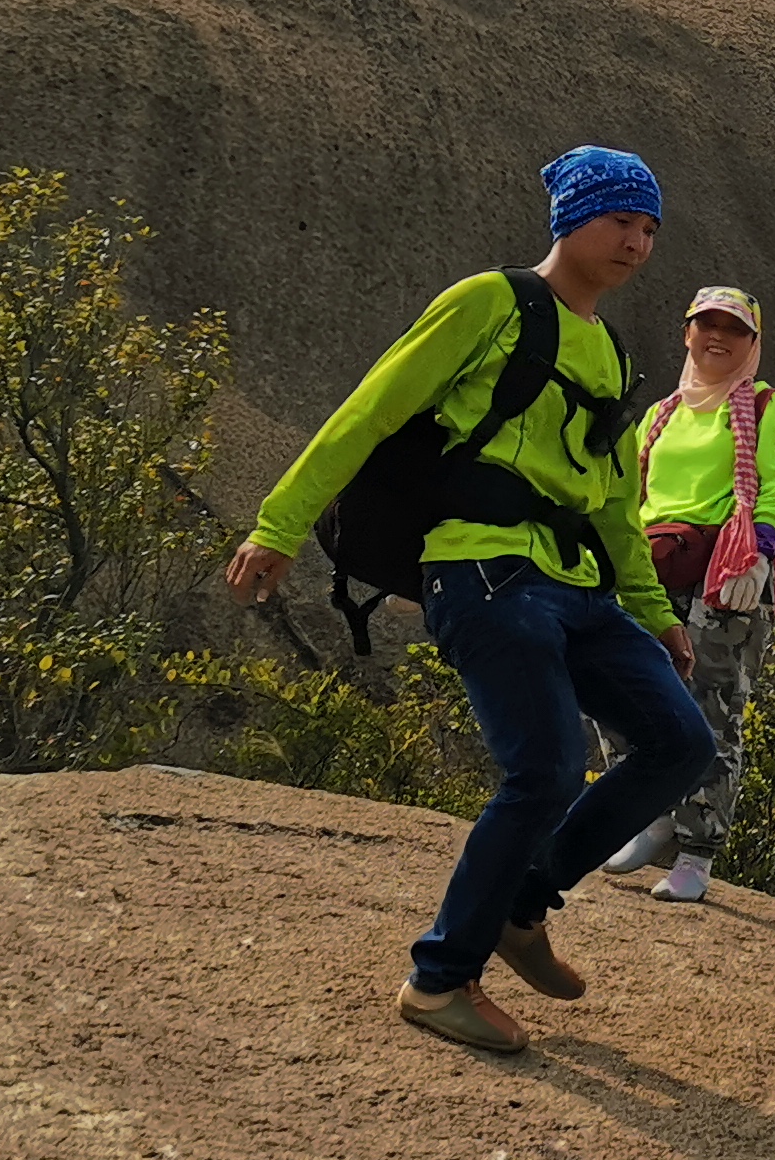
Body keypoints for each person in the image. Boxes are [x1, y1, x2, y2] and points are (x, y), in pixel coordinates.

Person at [228, 148, 711, 1058]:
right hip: (480, 571)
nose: (638, 243)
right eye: (621, 221)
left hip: (575, 586)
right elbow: (369, 411)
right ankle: (440, 978)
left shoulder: (608, 350)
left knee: (681, 741)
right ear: (572, 218)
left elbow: (610, 499)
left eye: (650, 229)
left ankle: (523, 906)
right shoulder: (489, 303)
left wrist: (652, 610)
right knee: (545, 770)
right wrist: (278, 524)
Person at [610, 284, 775, 906]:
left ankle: (697, 851)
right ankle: (650, 819)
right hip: (649, 565)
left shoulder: (769, 407)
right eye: (706, 325)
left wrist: (762, 544)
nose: (717, 337)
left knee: (712, 706)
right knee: (616, 690)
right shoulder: (662, 414)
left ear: (753, 342)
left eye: (733, 328)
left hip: (726, 572)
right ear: (687, 332)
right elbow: (626, 491)